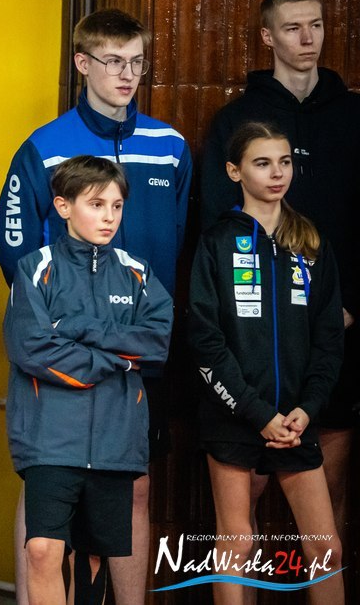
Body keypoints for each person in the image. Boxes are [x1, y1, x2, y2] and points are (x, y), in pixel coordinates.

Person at [0, 9, 191, 603]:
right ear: (82, 63)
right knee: (45, 494)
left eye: (137, 62)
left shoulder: (171, 145)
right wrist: (62, 325)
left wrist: (131, 333)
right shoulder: (44, 145)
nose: (127, 74)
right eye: (113, 61)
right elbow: (13, 241)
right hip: (61, 366)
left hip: (136, 353)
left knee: (134, 489)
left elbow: (179, 241)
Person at [200, 0, 359, 546]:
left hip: (335, 332)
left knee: (327, 500)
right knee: (243, 507)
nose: (307, 38)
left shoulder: (352, 115)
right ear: (268, 36)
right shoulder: (237, 119)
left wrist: (347, 306)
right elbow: (215, 229)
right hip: (249, 347)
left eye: (316, 25)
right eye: (293, 27)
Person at [5, 156, 173, 604]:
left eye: (116, 206)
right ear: (63, 206)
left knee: (93, 560)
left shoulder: (138, 272)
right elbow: (32, 348)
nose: (109, 217)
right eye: (96, 205)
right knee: (42, 550)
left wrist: (82, 330)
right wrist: (115, 360)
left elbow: (156, 342)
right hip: (49, 439)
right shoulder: (35, 267)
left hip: (117, 440)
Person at [188, 121, 343, 604]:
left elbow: (329, 339)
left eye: (285, 162)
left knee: (326, 549)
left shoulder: (311, 243)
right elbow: (205, 340)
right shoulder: (216, 242)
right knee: (237, 543)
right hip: (235, 416)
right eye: (262, 163)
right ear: (234, 171)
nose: (277, 173)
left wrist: (308, 409)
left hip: (296, 420)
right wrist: (257, 413)